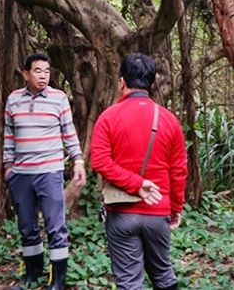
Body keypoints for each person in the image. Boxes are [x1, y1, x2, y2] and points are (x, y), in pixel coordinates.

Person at [89, 53, 187, 290]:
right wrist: (175, 207)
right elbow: (178, 170)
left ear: (121, 82)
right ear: (152, 84)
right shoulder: (169, 120)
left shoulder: (107, 118)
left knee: (130, 282)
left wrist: (134, 184)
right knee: (163, 275)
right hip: (158, 210)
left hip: (122, 213)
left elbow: (99, 162)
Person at [3, 53, 86, 290]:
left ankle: (58, 280)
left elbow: (69, 132)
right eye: (38, 71)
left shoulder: (59, 98)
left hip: (49, 172)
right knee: (27, 226)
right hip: (21, 174)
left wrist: (77, 161)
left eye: (47, 71)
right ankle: (33, 273)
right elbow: (9, 136)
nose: (43, 75)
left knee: (55, 226)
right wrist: (8, 168)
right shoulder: (14, 99)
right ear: (26, 74)